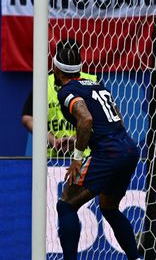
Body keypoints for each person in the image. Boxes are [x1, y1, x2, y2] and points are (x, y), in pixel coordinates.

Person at [53, 42, 141, 260]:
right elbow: (115, 118)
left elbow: (86, 118)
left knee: (66, 205)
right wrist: (82, 138)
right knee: (109, 207)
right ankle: (136, 258)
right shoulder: (96, 85)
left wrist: (77, 156)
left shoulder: (67, 91)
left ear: (57, 69)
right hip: (128, 149)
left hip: (108, 154)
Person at [20, 39, 97, 158]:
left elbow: (96, 121)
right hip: (58, 156)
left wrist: (76, 140)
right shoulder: (44, 83)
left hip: (82, 155)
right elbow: (27, 117)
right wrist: (52, 140)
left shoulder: (92, 81)